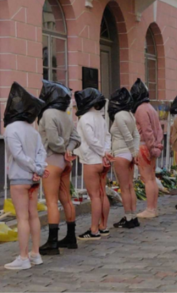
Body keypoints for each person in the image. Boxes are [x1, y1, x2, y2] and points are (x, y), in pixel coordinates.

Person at [1, 83, 48, 270]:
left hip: (20, 177)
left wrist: (34, 168)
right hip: (34, 178)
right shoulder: (32, 130)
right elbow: (41, 152)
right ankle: (35, 253)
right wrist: (38, 169)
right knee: (33, 215)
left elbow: (18, 155)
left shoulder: (11, 129)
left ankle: (23, 257)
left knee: (22, 218)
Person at [36, 80, 80, 255]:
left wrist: (63, 149)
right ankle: (71, 237)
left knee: (51, 202)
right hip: (65, 162)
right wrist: (68, 150)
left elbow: (53, 142)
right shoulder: (65, 115)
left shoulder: (48, 114)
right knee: (66, 200)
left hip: (52, 160)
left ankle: (52, 242)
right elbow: (76, 138)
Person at [73, 87, 111, 240]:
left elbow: (90, 140)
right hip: (102, 160)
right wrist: (106, 152)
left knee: (94, 196)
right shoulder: (100, 117)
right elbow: (107, 136)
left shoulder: (84, 119)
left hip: (91, 160)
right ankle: (103, 226)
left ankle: (94, 229)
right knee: (102, 193)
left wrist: (102, 152)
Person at [107, 86, 141, 228]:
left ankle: (128, 218)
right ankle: (133, 216)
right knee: (130, 186)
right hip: (129, 154)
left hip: (121, 153)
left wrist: (133, 152)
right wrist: (135, 153)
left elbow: (127, 136)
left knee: (124, 188)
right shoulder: (130, 114)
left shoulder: (119, 115)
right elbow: (136, 135)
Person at [130, 79, 163, 219]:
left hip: (145, 146)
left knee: (147, 179)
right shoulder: (151, 108)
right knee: (152, 178)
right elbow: (158, 129)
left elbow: (147, 130)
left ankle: (150, 209)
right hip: (151, 146)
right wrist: (157, 145)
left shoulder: (140, 109)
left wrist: (152, 146)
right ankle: (153, 208)